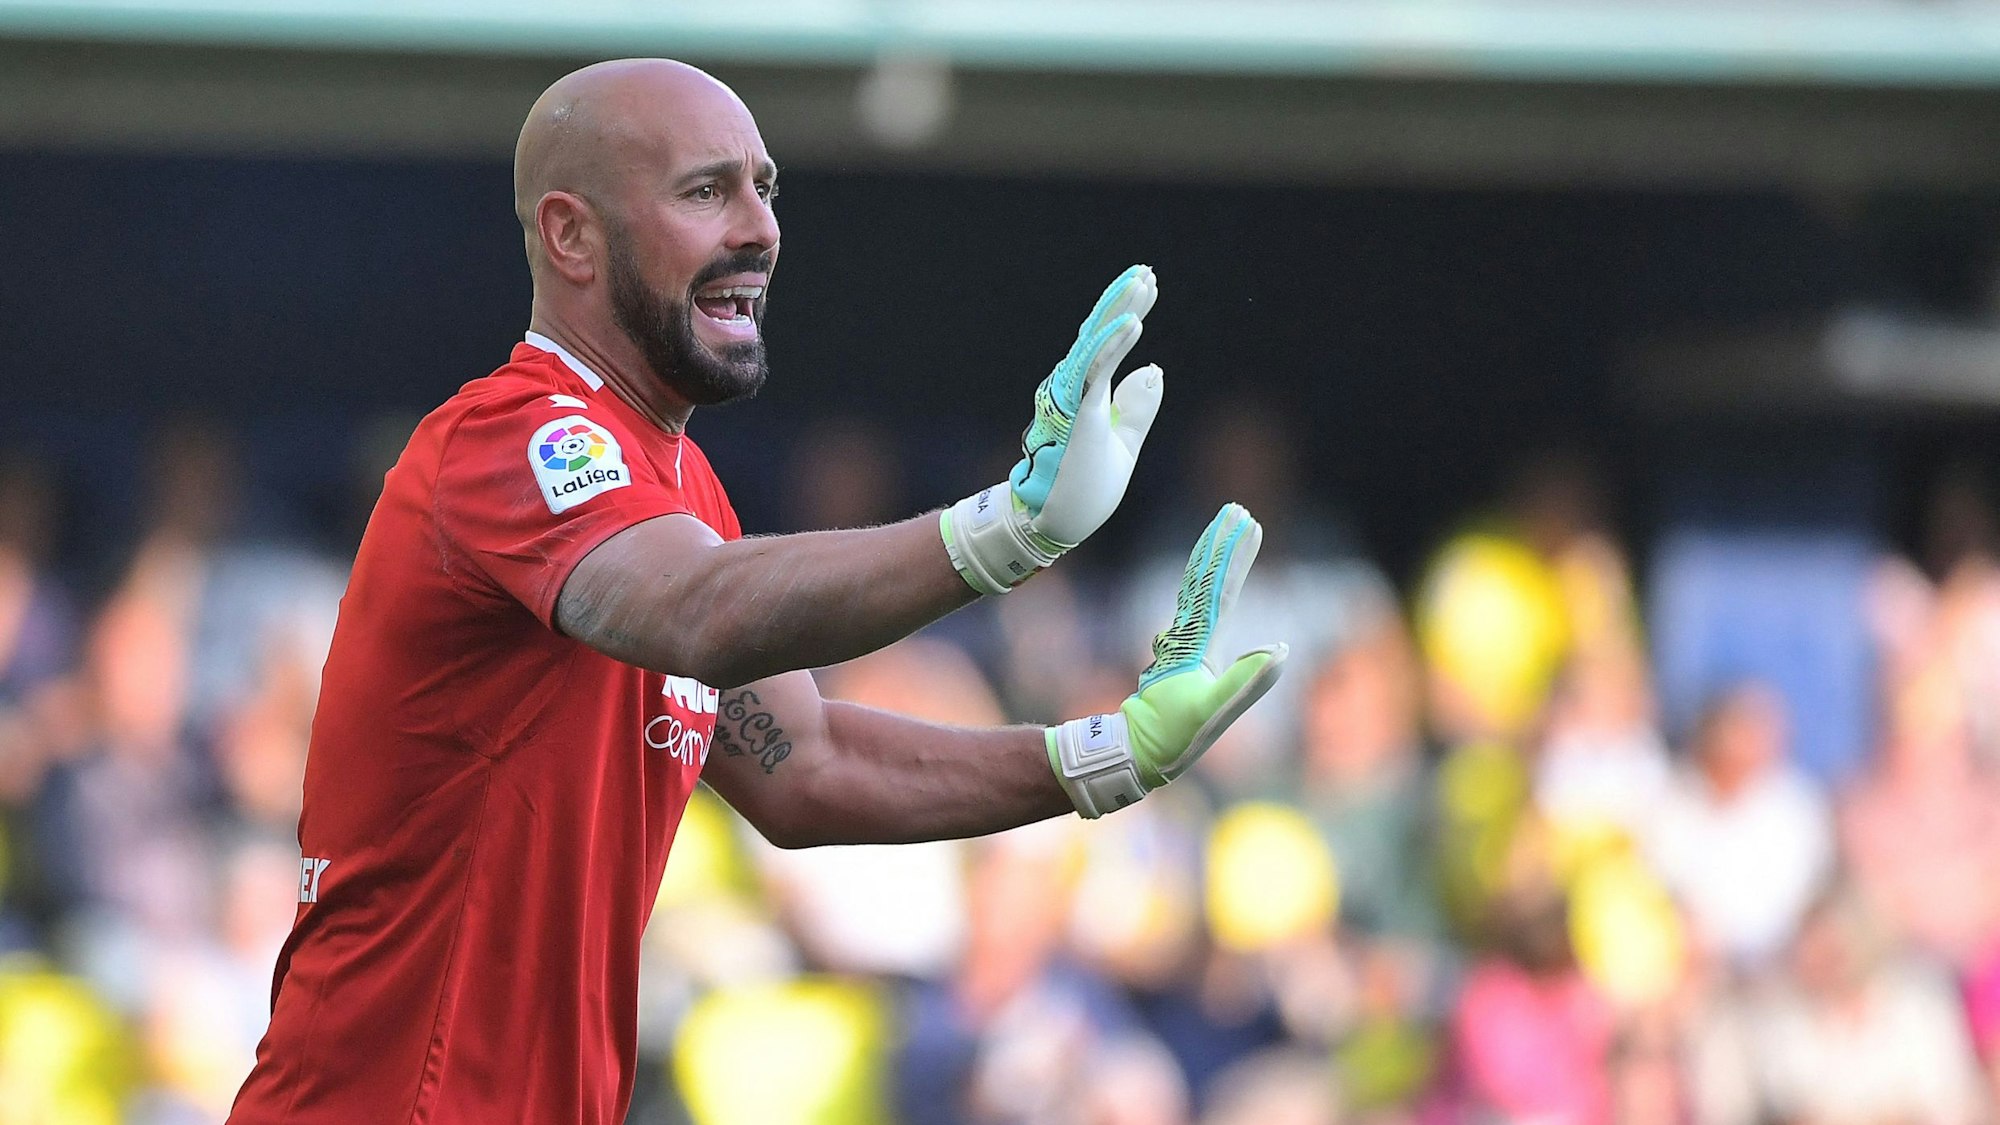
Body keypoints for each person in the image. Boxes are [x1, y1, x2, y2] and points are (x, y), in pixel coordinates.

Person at [225, 58, 1286, 1125]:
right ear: (571, 236)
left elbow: (807, 765)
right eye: (703, 191)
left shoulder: (681, 489)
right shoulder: (512, 438)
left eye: (763, 188)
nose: (759, 228)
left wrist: (1099, 758)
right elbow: (694, 611)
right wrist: (1009, 530)